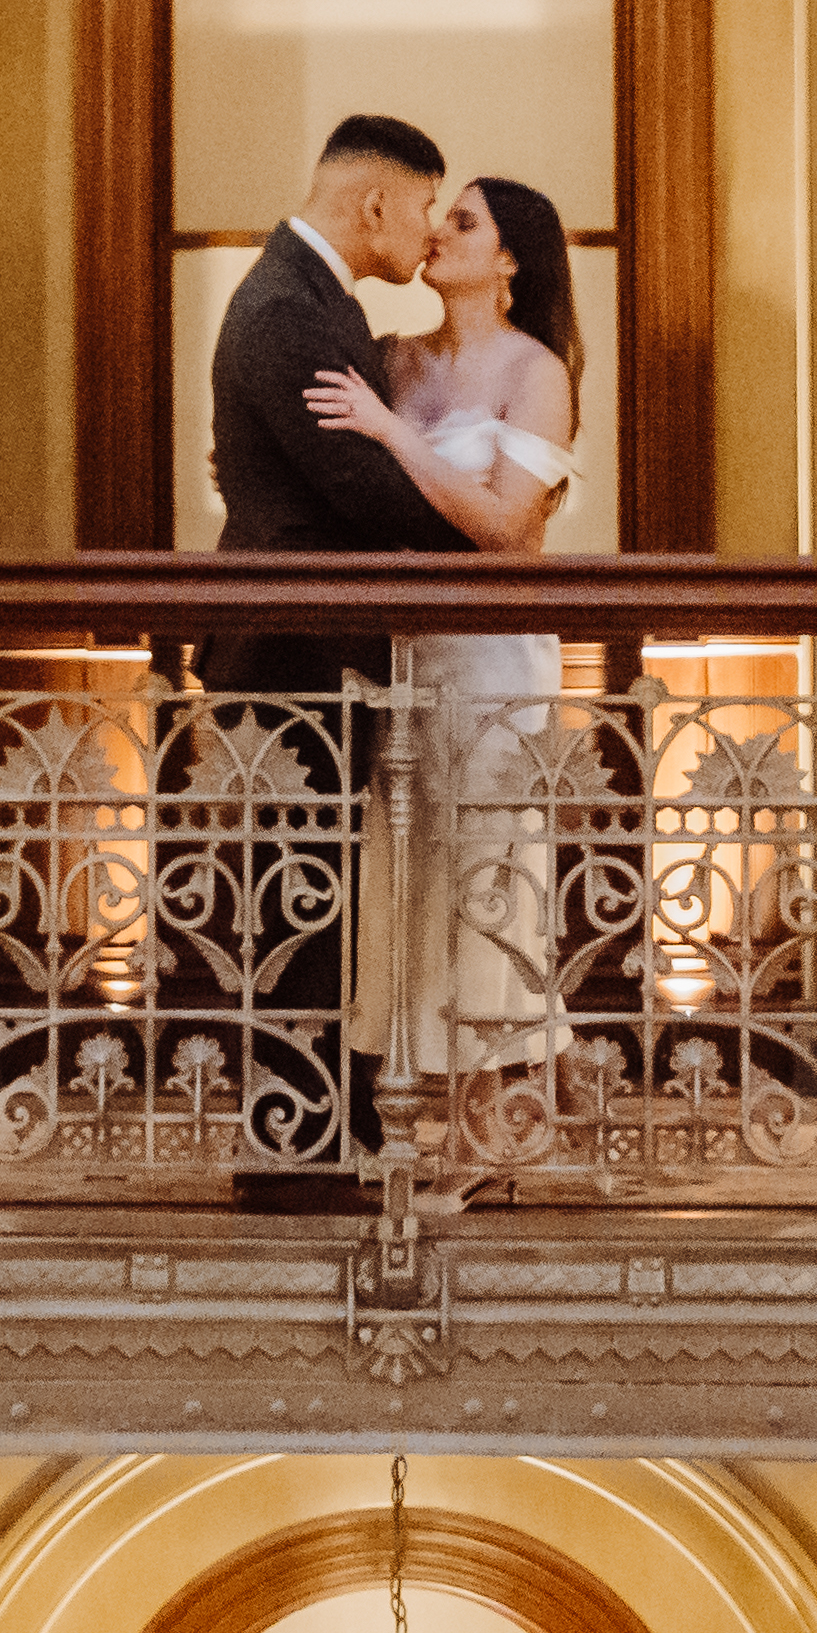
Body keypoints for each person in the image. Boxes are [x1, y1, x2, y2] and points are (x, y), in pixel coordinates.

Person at [201, 115, 463, 1176]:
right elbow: (355, 484)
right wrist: (485, 518)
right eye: (422, 206)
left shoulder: (309, 301)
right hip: (288, 649)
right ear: (372, 205)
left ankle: (322, 1131)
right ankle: (289, 1149)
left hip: (312, 642)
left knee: (318, 895)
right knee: (289, 900)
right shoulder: (283, 310)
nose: (428, 229)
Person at [304, 173, 584, 1167]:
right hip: (401, 656)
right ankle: (401, 1107)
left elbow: (507, 527)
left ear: (508, 260)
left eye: (463, 221)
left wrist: (387, 432)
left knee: (481, 872)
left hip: (491, 659)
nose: (438, 231)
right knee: (405, 871)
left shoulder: (532, 369)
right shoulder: (389, 354)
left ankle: (476, 1124)